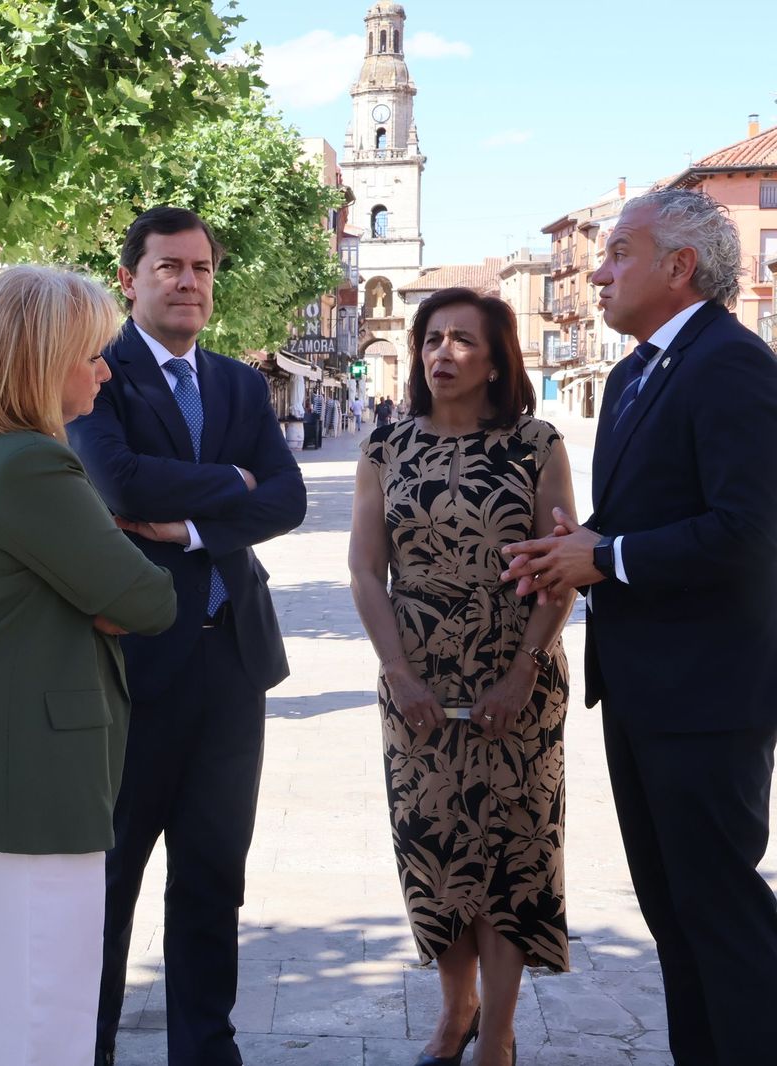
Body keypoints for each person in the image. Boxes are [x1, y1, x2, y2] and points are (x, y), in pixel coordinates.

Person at [502, 188, 777, 1065]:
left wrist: (607, 557)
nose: (597, 267)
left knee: (724, 918)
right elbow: (643, 523)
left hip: (710, 696)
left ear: (679, 267)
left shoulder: (732, 365)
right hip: (641, 690)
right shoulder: (629, 374)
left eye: (619, 251)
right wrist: (573, 551)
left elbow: (752, 529)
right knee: (675, 919)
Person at [0, 265, 177, 1065]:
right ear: (39, 359)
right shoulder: (31, 466)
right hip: (33, 783)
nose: (104, 370)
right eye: (91, 355)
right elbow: (148, 601)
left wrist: (91, 590)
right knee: (40, 1026)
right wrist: (101, 589)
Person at [67, 206, 307, 1066]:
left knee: (213, 877)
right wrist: (231, 482)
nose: (188, 282)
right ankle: (85, 1046)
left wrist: (196, 527)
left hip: (231, 659)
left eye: (202, 268)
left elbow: (289, 499)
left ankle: (205, 1049)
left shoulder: (241, 385)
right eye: (169, 266)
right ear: (129, 277)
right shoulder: (99, 374)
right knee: (110, 877)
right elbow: (119, 482)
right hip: (131, 664)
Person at [349, 288, 576, 1066]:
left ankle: (499, 1038)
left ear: (495, 359)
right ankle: (456, 1014)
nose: (442, 353)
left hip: (519, 681)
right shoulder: (384, 448)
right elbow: (364, 571)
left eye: (462, 341)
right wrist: (398, 673)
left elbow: (561, 572)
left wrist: (522, 671)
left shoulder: (537, 443)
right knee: (435, 852)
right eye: (432, 339)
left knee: (514, 857)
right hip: (416, 686)